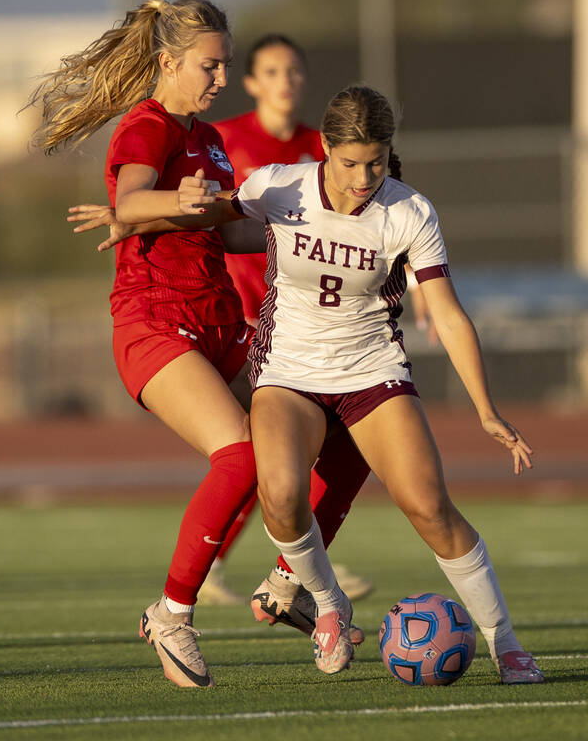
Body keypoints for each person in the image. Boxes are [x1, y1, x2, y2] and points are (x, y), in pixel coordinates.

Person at [109, 84, 547, 685]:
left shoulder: (410, 212)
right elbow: (207, 222)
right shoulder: (277, 185)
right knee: (281, 495)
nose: (363, 177)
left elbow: (447, 313)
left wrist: (486, 410)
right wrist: (126, 215)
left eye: (375, 161)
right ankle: (328, 605)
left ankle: (507, 645)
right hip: (287, 372)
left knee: (429, 507)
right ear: (324, 148)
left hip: (372, 373)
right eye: (349, 163)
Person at [31, 0, 368, 689]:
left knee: (346, 434)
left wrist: (325, 229)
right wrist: (163, 207)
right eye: (209, 67)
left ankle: (288, 582)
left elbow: (233, 231)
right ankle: (172, 613)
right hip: (155, 324)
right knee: (241, 453)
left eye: (224, 66)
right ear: (168, 63)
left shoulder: (209, 140)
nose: (219, 77)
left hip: (220, 322)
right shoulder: (147, 125)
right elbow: (131, 199)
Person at [196, 33, 372, 607]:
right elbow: (216, 220)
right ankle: (271, 567)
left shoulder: (319, 149)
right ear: (251, 82)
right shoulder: (226, 138)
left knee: (314, 450)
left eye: (294, 70)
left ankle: (297, 565)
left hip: (305, 324)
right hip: (245, 319)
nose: (286, 81)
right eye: (273, 71)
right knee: (261, 452)